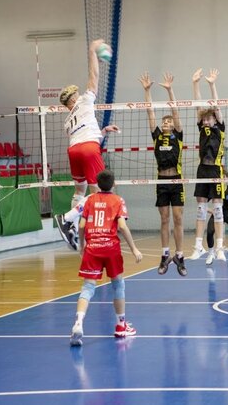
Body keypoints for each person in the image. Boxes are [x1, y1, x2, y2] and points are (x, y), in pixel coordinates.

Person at [54, 39, 120, 240]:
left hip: (74, 150)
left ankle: (72, 228)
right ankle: (68, 218)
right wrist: (92, 51)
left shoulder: (68, 121)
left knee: (79, 190)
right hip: (89, 149)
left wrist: (104, 131)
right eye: (76, 93)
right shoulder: (84, 101)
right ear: (74, 99)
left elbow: (85, 136)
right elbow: (94, 76)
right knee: (100, 192)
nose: (79, 93)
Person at [70, 169, 143, 346]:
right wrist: (134, 249)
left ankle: (78, 323)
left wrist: (82, 245)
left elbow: (81, 225)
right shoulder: (118, 200)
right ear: (114, 184)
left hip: (92, 248)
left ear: (97, 184)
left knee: (88, 288)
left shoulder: (90, 199)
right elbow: (122, 226)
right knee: (118, 285)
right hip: (111, 248)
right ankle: (120, 325)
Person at [139, 71, 186, 276]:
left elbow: (175, 111)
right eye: (164, 122)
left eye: (169, 122)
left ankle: (180, 255)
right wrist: (147, 91)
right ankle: (165, 254)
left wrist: (170, 90)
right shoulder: (157, 136)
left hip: (176, 180)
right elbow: (150, 112)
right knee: (164, 219)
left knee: (178, 218)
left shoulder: (178, 135)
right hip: (161, 180)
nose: (166, 123)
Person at [188, 68, 226, 262]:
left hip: (216, 170)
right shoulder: (202, 129)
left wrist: (212, 84)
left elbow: (217, 107)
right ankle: (198, 246)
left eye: (208, 118)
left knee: (217, 208)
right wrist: (195, 83)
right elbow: (198, 106)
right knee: (201, 209)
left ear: (214, 119)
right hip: (202, 170)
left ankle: (219, 247)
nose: (205, 120)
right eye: (203, 119)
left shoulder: (220, 128)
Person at [204, 168, 228, 266]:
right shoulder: (214, 190)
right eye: (220, 177)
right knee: (209, 232)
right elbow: (202, 205)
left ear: (227, 178)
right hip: (216, 214)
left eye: (224, 177)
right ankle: (211, 253)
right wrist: (211, 211)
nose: (222, 179)